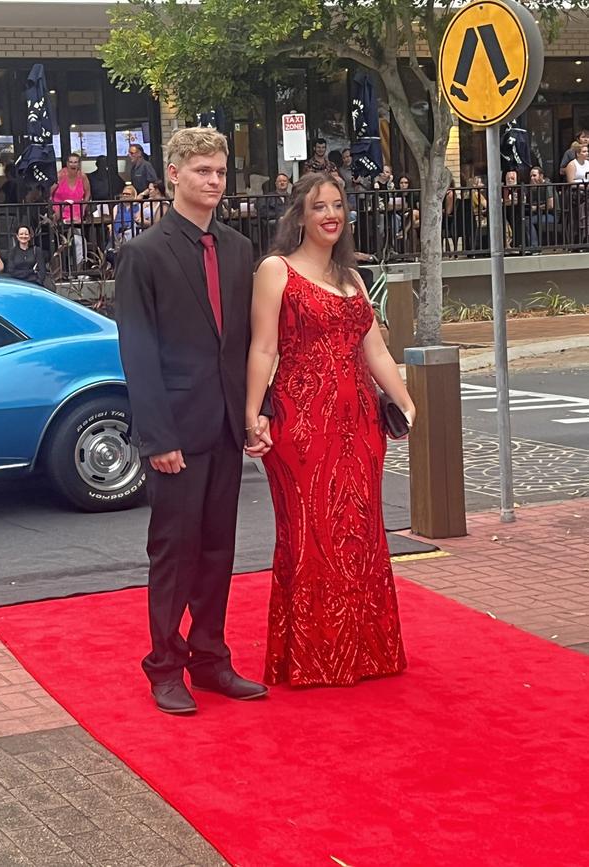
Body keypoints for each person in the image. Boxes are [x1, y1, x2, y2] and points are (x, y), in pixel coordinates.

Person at [114, 127, 269, 716]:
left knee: (217, 551)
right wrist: (158, 437)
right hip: (175, 433)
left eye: (220, 172)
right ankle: (165, 666)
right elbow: (138, 353)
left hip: (228, 427)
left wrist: (257, 413)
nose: (213, 181)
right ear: (174, 174)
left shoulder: (236, 248)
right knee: (174, 554)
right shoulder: (144, 253)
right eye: (202, 170)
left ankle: (210, 659)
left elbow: (250, 341)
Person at [245, 171, 414, 687]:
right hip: (301, 423)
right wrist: (253, 413)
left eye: (338, 205)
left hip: (359, 424)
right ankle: (313, 658)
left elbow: (376, 350)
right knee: (310, 534)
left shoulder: (352, 278)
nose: (330, 215)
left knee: (360, 532)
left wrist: (406, 400)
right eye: (319, 207)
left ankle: (365, 653)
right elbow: (263, 348)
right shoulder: (276, 270)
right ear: (299, 216)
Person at [51, 153, 91, 267]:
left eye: (76, 162)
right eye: (71, 162)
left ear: (79, 164)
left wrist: (83, 208)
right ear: (67, 163)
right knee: (63, 241)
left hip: (77, 213)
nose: (73, 164)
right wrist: (55, 212)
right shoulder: (60, 175)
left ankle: (79, 268)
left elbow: (88, 193)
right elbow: (49, 192)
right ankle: (61, 268)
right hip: (60, 212)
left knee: (79, 241)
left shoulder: (82, 176)